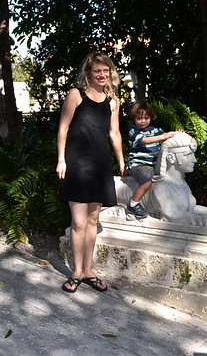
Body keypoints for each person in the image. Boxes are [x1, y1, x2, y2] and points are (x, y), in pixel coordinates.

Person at [56, 52, 125, 294]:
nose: (102, 75)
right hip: (76, 164)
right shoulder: (76, 95)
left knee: (93, 221)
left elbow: (114, 134)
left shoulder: (113, 101)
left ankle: (88, 271)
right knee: (78, 222)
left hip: (101, 165)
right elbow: (63, 128)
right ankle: (76, 272)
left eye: (106, 71)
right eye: (97, 71)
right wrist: (61, 160)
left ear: (110, 73)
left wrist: (122, 161)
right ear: (89, 73)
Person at [142, 132, 207, 226]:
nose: (194, 160)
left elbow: (190, 208)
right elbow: (171, 214)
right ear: (171, 158)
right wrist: (200, 219)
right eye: (187, 155)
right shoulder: (161, 188)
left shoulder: (182, 183)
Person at [126, 101, 179, 219]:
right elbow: (144, 140)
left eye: (146, 117)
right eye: (139, 118)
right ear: (134, 118)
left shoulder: (154, 130)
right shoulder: (134, 131)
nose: (143, 121)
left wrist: (177, 134)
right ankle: (133, 204)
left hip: (152, 165)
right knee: (147, 181)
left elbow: (167, 137)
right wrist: (162, 137)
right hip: (139, 164)